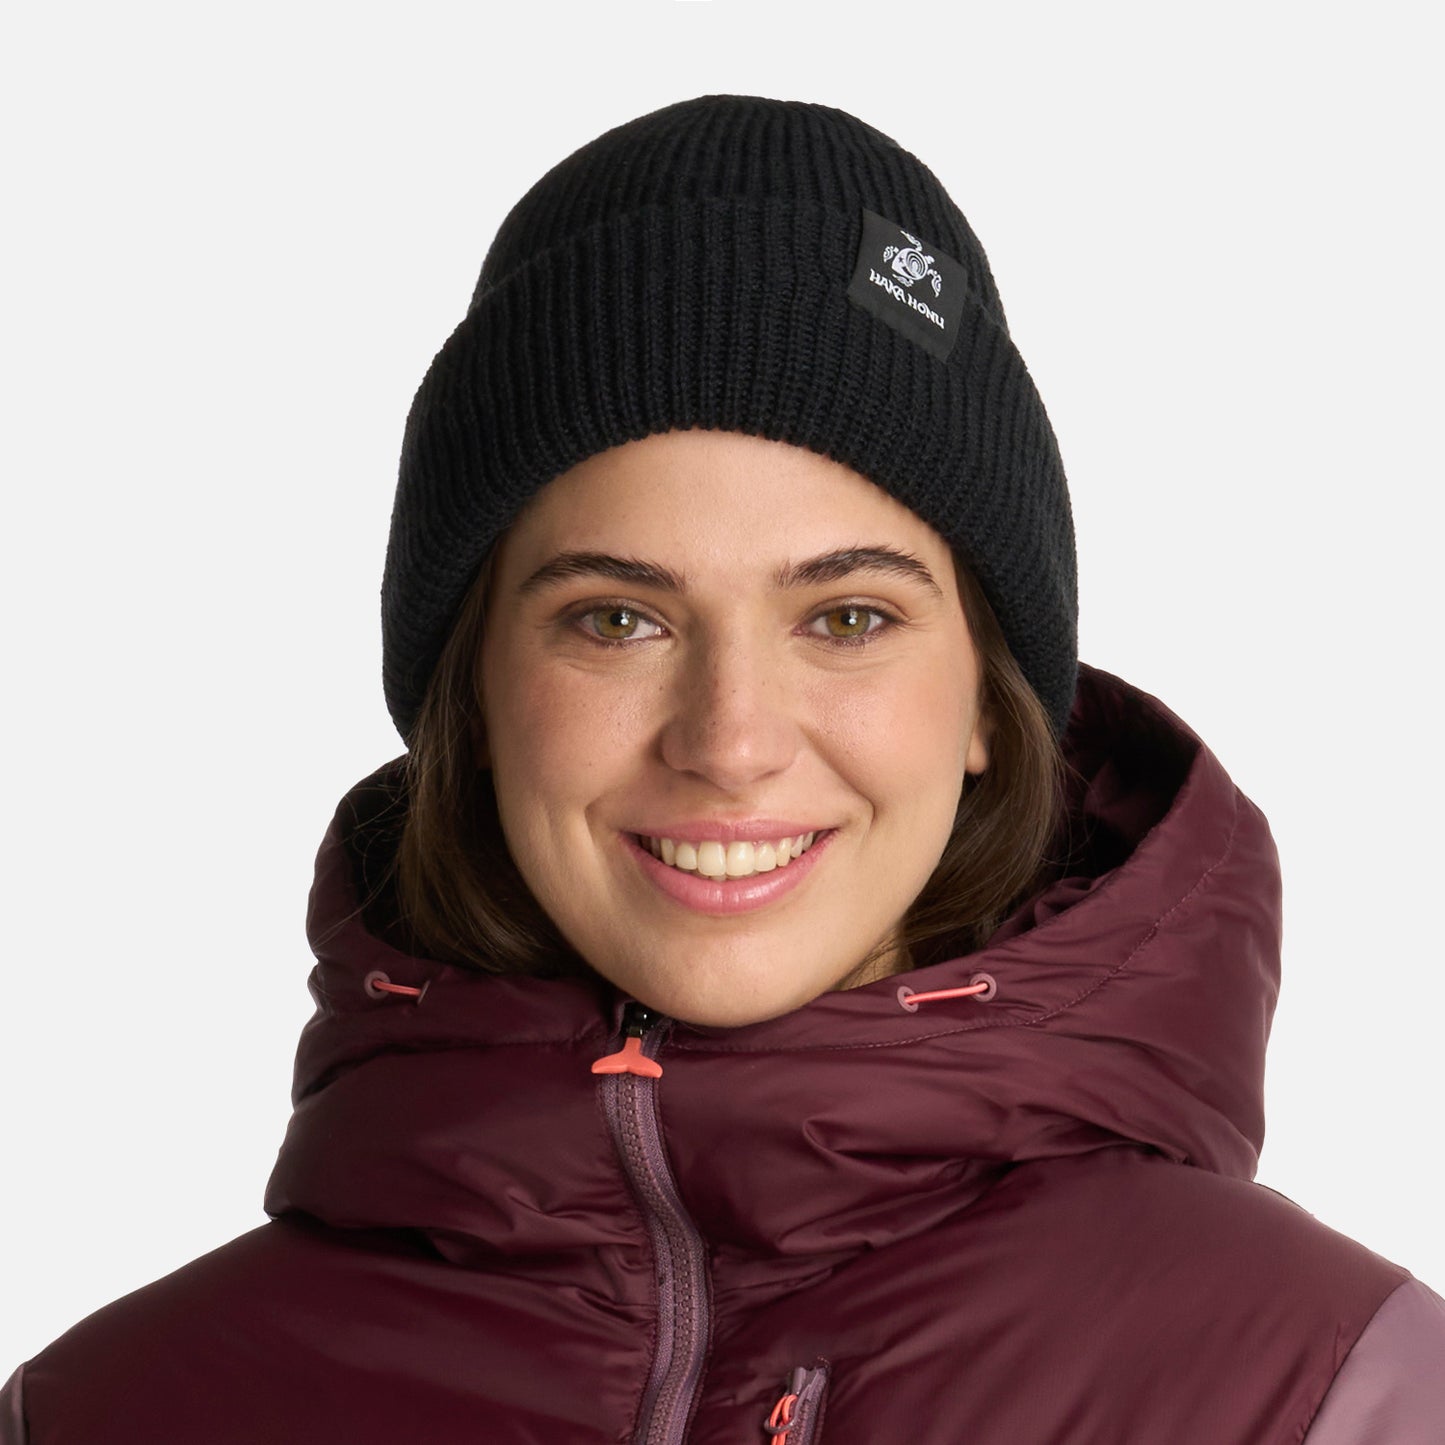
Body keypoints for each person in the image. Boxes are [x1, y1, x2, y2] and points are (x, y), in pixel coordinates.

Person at [4, 94, 1441, 1444]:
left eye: (847, 618)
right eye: (615, 619)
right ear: (475, 693)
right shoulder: (109, 1414)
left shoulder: (1327, 1396)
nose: (732, 740)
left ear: (993, 708)